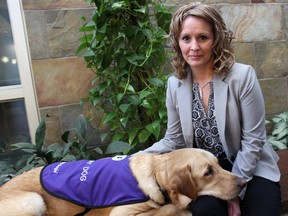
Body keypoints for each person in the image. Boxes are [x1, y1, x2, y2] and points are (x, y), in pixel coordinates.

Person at [138, 2, 281, 216]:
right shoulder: (175, 85)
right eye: (186, 38)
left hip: (251, 166)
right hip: (205, 173)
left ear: (215, 40)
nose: (194, 47)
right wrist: (132, 160)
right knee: (204, 212)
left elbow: (254, 140)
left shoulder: (243, 77)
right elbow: (174, 140)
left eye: (202, 37)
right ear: (178, 42)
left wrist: (233, 194)